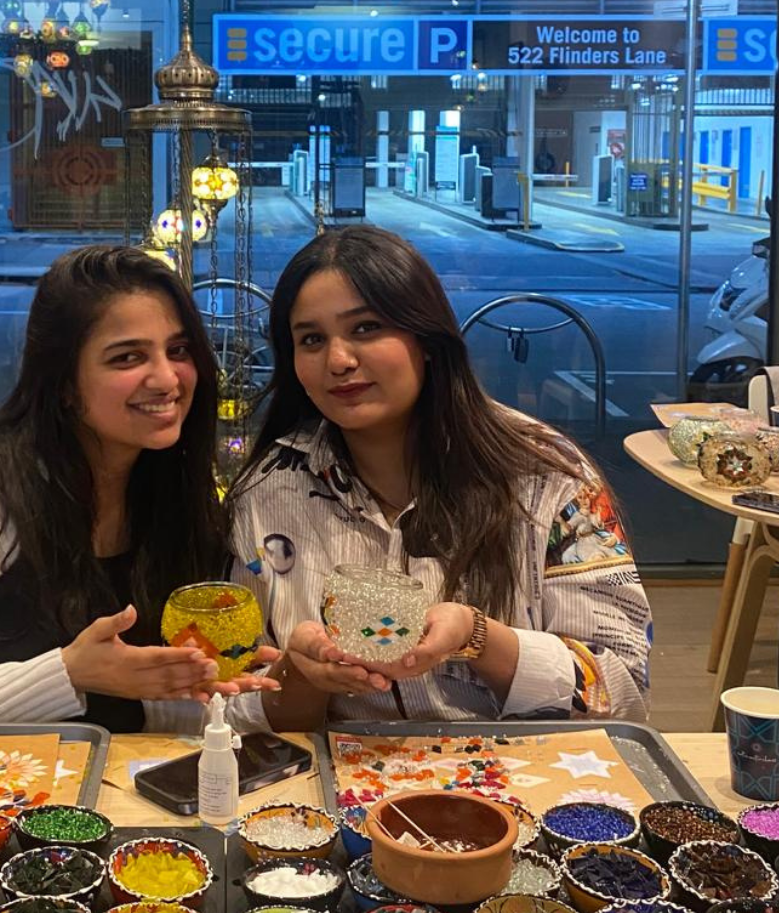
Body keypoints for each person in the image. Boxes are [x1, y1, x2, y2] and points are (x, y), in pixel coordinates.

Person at [0, 246, 277, 731]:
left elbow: (170, 712)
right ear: (63, 383)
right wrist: (69, 674)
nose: (167, 378)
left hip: (130, 775)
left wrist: (272, 680)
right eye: (128, 357)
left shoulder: (167, 489)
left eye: (179, 351)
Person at [226, 225, 651, 730]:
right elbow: (236, 704)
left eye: (366, 328)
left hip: (516, 769)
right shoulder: (269, 490)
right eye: (312, 339)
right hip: (334, 772)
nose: (339, 360)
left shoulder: (545, 476)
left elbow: (623, 692)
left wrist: (478, 638)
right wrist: (300, 673)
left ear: (425, 338)